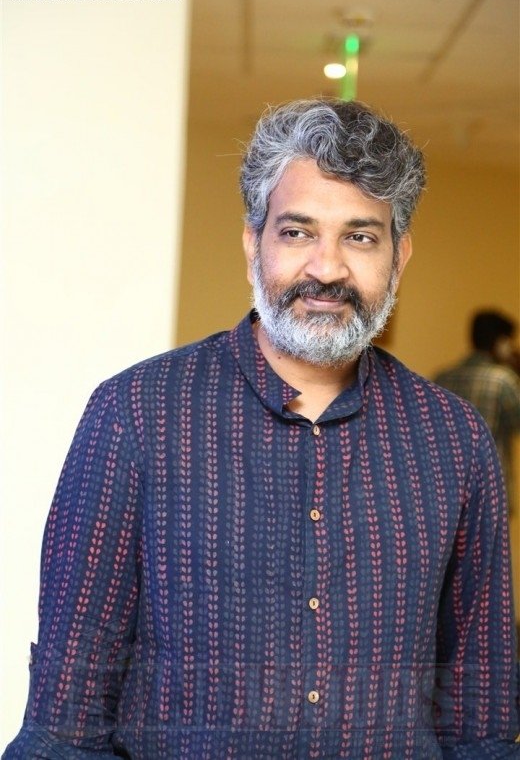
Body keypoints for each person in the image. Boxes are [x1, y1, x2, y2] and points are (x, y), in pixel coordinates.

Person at [4, 100, 519, 759]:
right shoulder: (135, 414)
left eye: (360, 237)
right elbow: (64, 726)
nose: (327, 269)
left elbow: (481, 719)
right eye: (298, 232)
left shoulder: (455, 440)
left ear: (400, 256)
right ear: (254, 244)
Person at [435, 311, 520, 504]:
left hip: (445, 486)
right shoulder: (503, 380)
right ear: (501, 343)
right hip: (489, 490)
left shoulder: (442, 378)